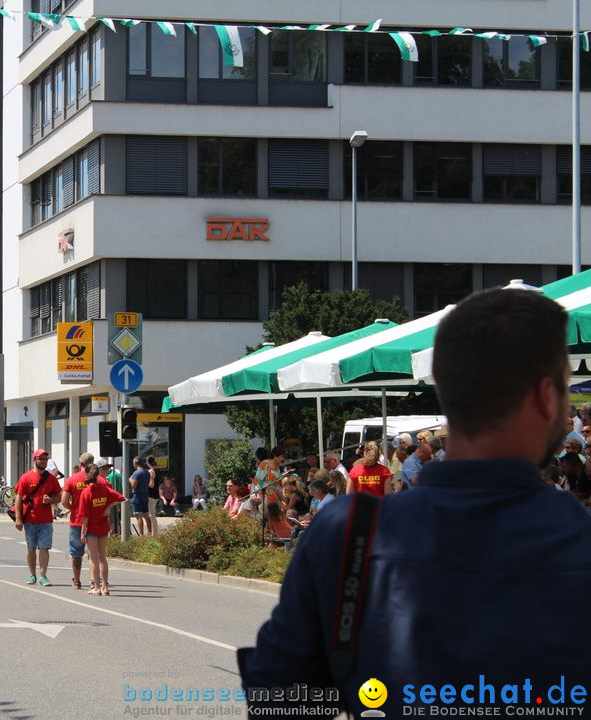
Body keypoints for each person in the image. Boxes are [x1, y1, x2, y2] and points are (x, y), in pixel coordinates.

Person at [239, 287, 591, 714]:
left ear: (447, 387)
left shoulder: (348, 539)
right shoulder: (577, 541)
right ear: (546, 398)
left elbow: (279, 702)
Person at [13, 449, 62, 586]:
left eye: (46, 459)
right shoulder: (26, 477)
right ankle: (32, 574)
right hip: (30, 519)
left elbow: (59, 496)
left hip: (46, 520)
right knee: (31, 548)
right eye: (41, 459)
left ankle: (43, 576)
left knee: (44, 548)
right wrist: (18, 518)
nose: (44, 462)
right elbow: (18, 498)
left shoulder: (51, 478)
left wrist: (51, 501)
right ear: (34, 460)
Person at [79, 463, 125, 596]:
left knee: (93, 558)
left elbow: (85, 516)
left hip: (92, 528)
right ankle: (105, 587)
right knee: (102, 558)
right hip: (103, 526)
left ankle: (96, 587)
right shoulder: (105, 489)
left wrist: (82, 532)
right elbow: (121, 498)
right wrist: (107, 508)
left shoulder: (86, 492)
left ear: (87, 474)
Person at [60, 452, 96, 590]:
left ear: (80, 464)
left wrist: (73, 508)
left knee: (76, 552)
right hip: (94, 520)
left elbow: (64, 501)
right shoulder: (97, 479)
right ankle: (94, 580)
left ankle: (77, 580)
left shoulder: (72, 479)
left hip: (77, 520)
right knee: (94, 552)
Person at [128, 457, 150, 536]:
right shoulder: (147, 472)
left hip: (137, 495)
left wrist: (130, 479)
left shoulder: (136, 473)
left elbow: (134, 485)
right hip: (145, 494)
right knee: (146, 515)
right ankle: (149, 533)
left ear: (135, 464)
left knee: (138, 515)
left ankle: (141, 535)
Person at [146, 456, 161, 533]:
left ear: (148, 462)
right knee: (152, 514)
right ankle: (154, 532)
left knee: (151, 515)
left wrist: (145, 484)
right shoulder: (157, 470)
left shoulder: (151, 471)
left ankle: (154, 533)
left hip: (151, 495)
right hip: (155, 495)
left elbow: (151, 485)